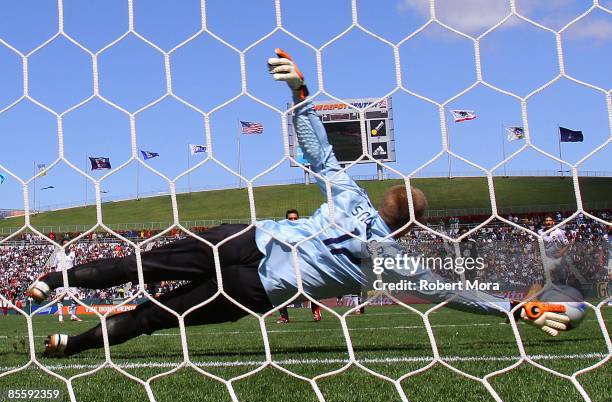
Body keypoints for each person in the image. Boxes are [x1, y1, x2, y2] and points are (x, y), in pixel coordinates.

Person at [27, 49, 576, 357]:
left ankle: (62, 314)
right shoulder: (379, 245)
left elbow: (322, 155)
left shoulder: (378, 243)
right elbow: (448, 290)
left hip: (253, 268)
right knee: (148, 290)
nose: (400, 196)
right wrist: (301, 97)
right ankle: (60, 306)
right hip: (252, 255)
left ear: (397, 211)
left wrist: (302, 95)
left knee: (151, 296)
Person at [276, 209, 322, 323]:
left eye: (295, 218)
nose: (293, 221)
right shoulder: (281, 232)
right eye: (290, 219)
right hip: (287, 265)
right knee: (280, 290)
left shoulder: (305, 231)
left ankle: (316, 313)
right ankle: (284, 317)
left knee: (312, 289)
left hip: (303, 265)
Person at [52, 240, 82, 323]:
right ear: (62, 245)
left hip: (71, 278)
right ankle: (61, 317)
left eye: (68, 244)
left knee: (75, 296)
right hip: (60, 278)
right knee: (60, 297)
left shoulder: (73, 254)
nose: (67, 245)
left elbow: (75, 266)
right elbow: (53, 267)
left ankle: (73, 315)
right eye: (65, 244)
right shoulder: (58, 255)